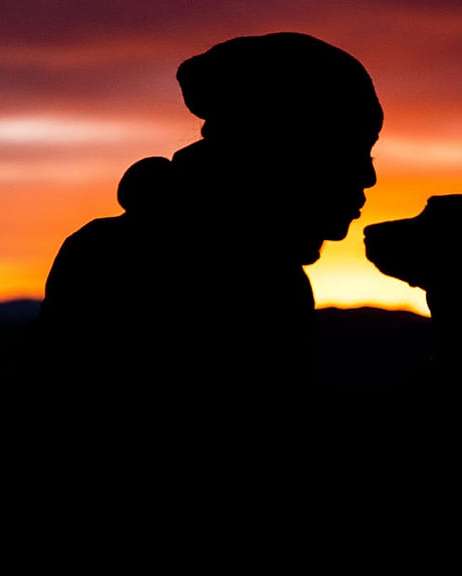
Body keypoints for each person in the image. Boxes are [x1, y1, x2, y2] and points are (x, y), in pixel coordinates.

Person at [29, 32, 383, 470]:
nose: (368, 178)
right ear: (278, 150)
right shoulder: (146, 267)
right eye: (351, 149)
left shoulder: (265, 274)